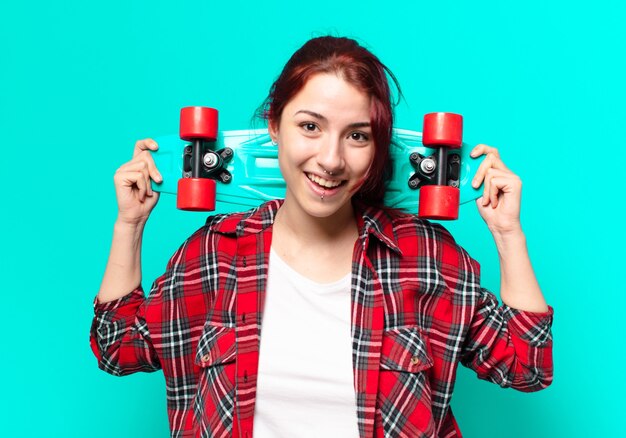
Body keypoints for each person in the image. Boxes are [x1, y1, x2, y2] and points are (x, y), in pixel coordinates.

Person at [91, 36, 553, 438]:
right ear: (274, 127)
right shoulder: (217, 253)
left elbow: (527, 364)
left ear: (378, 147)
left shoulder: (423, 256)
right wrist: (128, 227)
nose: (331, 160)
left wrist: (508, 234)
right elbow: (118, 348)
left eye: (357, 136)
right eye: (310, 127)